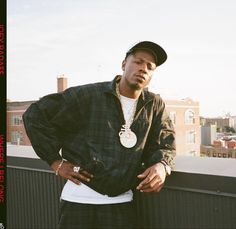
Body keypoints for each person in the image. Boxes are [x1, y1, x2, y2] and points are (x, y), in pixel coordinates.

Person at [23, 41, 176, 229]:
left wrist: (162, 165)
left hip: (121, 201)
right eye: (138, 62)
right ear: (123, 64)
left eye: (150, 67)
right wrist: (56, 162)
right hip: (78, 199)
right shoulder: (90, 95)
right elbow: (35, 114)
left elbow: (165, 141)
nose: (143, 69)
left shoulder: (154, 104)